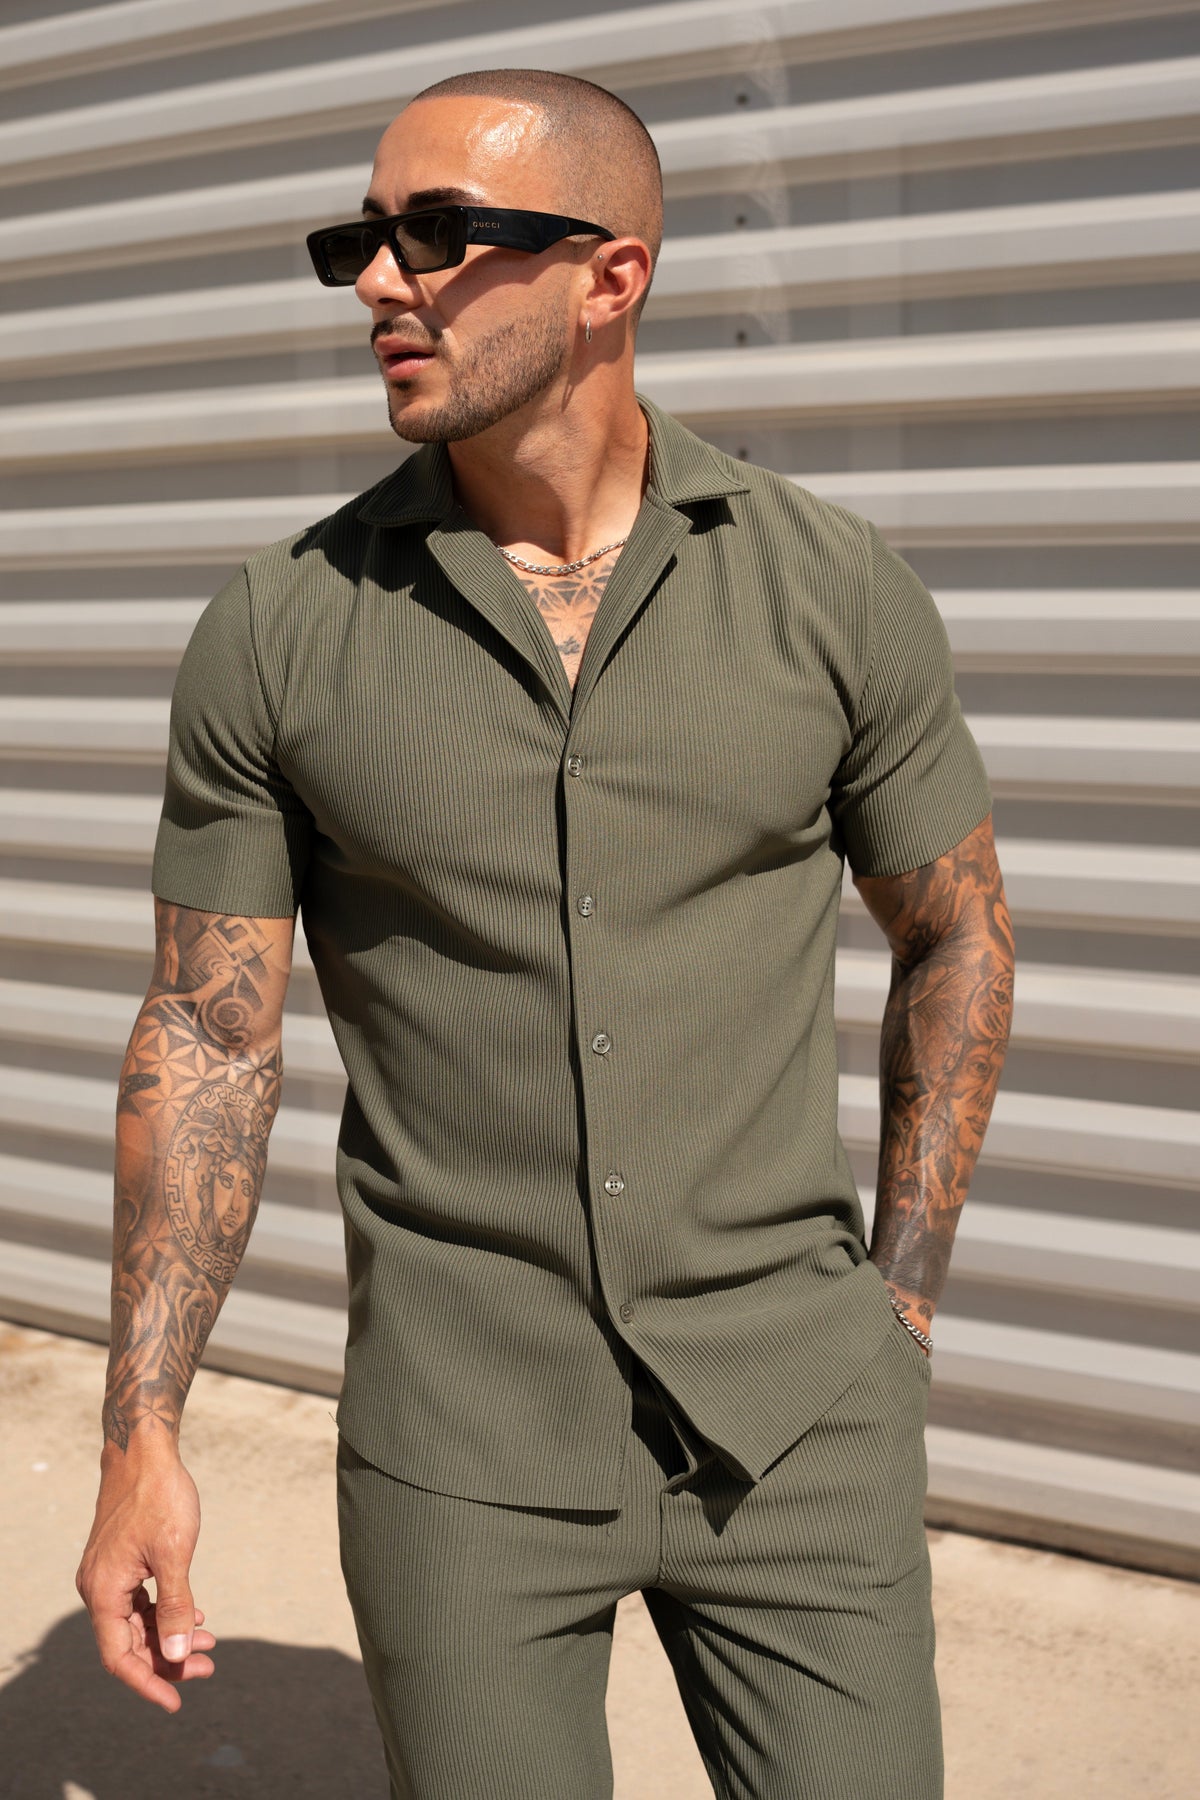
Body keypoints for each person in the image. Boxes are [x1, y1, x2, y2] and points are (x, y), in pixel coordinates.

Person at [76, 67, 1015, 1800]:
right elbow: (207, 1037)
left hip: (800, 1415)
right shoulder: (281, 630)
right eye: (366, 238)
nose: (381, 280)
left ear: (612, 276)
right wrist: (143, 1432)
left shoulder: (831, 587)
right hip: (463, 1441)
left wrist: (903, 1301)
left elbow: (956, 931)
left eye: (439, 233)